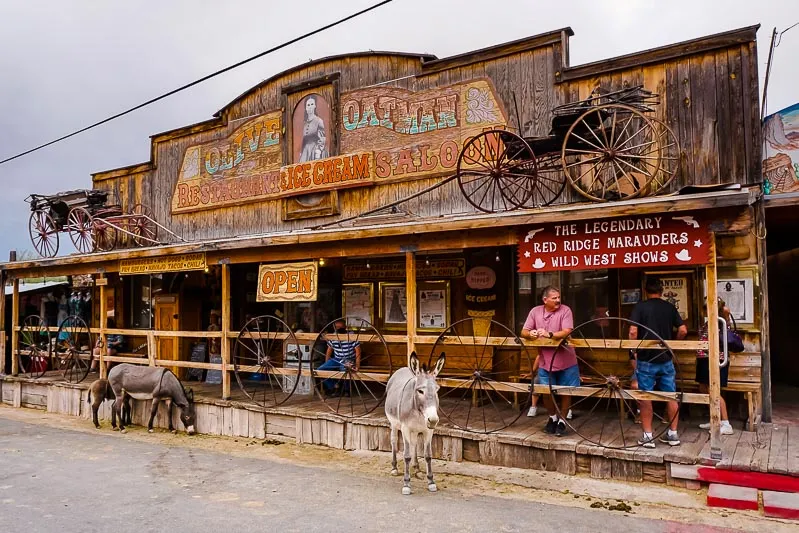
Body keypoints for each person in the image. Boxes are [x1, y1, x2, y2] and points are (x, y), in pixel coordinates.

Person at [629, 278, 687, 448]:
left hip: (647, 358)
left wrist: (634, 350)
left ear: (646, 291)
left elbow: (633, 332)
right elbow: (682, 330)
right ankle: (673, 434)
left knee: (646, 396)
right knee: (670, 395)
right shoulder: (669, 307)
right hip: (666, 358)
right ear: (661, 291)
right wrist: (672, 345)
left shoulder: (640, 307)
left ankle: (648, 436)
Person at [521, 286, 579, 436]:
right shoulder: (535, 312)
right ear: (545, 300)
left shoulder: (565, 310)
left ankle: (562, 421)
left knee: (566, 392)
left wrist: (549, 334)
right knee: (546, 391)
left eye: (559, 297)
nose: (558, 300)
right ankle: (552, 418)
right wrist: (531, 334)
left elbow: (567, 331)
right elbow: (524, 331)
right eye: (554, 298)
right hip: (545, 360)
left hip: (566, 360)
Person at [695, 298, 734, 435]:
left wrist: (726, 315)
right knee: (703, 388)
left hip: (716, 360)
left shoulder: (721, 322)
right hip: (703, 359)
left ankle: (726, 422)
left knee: (714, 390)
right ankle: (714, 418)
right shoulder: (708, 322)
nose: (705, 310)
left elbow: (728, 335)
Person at [318, 319, 361, 396]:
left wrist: (357, 365)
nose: (339, 329)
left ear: (345, 327)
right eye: (337, 327)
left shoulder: (351, 336)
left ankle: (346, 390)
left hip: (348, 359)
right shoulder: (333, 336)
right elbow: (329, 350)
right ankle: (335, 386)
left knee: (346, 369)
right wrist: (327, 363)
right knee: (320, 370)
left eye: (341, 327)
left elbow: (358, 351)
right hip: (336, 359)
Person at [298, 95, 328, 163]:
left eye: (312, 104)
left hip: (315, 151)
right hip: (306, 152)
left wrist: (318, 151)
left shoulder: (319, 121)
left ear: (315, 106)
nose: (310, 107)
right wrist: (302, 152)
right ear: (305, 108)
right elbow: (303, 140)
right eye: (308, 105)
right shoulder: (304, 124)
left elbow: (322, 138)